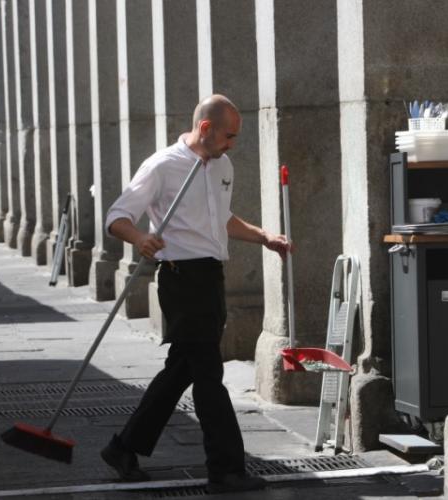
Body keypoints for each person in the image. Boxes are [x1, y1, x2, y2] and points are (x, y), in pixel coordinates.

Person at [102, 94, 292, 494]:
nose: (232, 144)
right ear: (205, 128)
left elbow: (221, 218)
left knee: (182, 370)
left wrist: (264, 237)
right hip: (180, 278)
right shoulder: (162, 165)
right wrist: (140, 237)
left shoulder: (222, 164)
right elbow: (117, 216)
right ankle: (224, 468)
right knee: (208, 375)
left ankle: (124, 447)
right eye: (228, 135)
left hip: (209, 277)